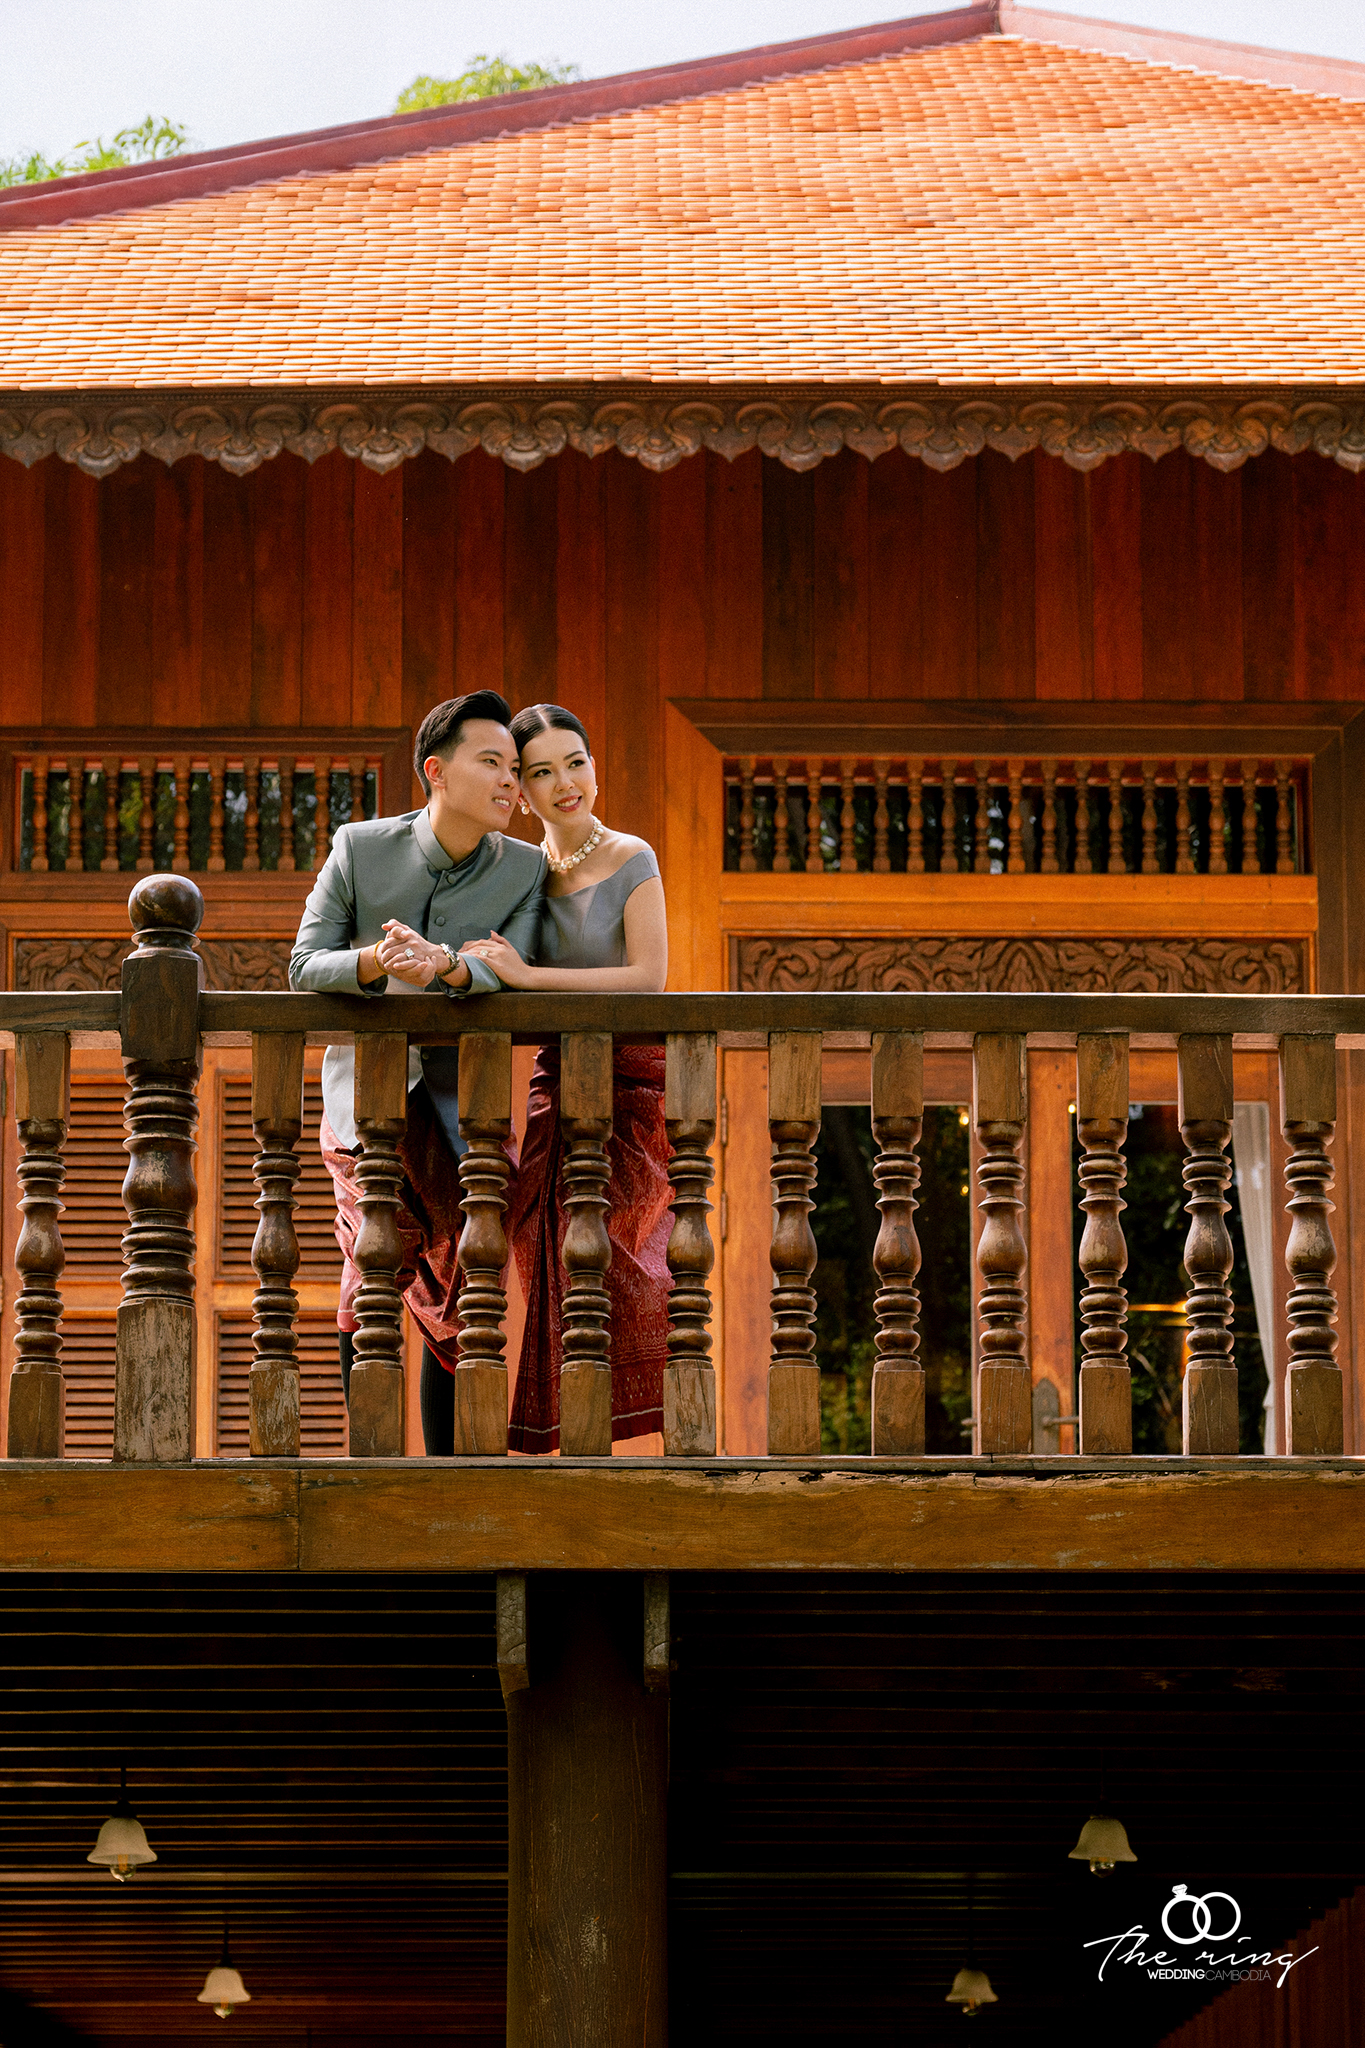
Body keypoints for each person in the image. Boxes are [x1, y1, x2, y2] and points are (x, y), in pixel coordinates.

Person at [289, 691, 546, 1455]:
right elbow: (304, 964)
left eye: (514, 769)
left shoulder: (526, 867)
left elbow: (516, 964)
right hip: (364, 1097)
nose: (510, 782)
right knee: (371, 1258)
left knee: (464, 1276)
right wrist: (375, 960)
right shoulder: (359, 847)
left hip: (466, 1104)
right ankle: (370, 1457)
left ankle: (449, 1467)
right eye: (491, 763)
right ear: (436, 771)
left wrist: (451, 968)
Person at [461, 703, 670, 1454]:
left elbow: (648, 979)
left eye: (575, 762)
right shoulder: (518, 873)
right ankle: (567, 1436)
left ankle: (641, 1437)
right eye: (542, 772)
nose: (565, 783)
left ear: (593, 767)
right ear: (520, 791)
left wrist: (528, 978)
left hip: (634, 1078)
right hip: (557, 1080)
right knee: (545, 1245)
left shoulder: (631, 855)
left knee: (628, 1252)